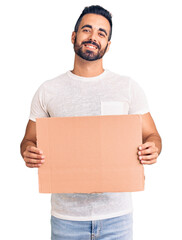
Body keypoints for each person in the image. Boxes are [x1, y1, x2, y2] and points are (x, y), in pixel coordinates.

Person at [20, 5, 162, 240]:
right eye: (87, 30)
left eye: (101, 33)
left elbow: (152, 136)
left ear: (107, 45)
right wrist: (27, 151)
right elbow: (28, 140)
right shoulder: (48, 91)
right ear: (74, 36)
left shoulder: (127, 87)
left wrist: (153, 148)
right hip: (67, 220)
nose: (93, 37)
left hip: (117, 218)